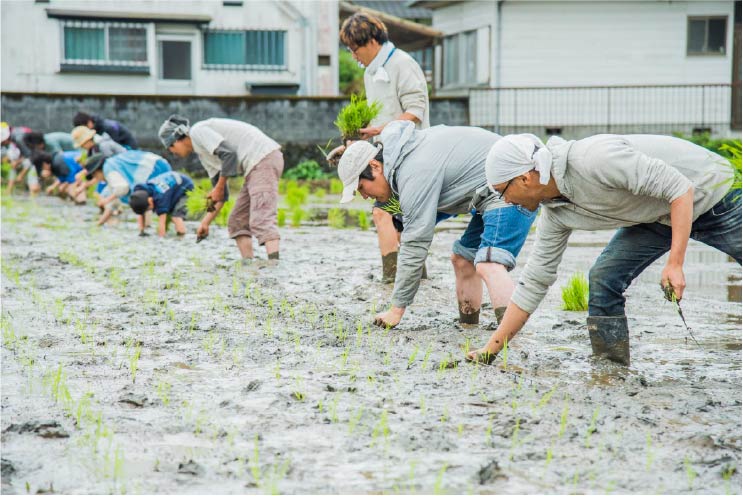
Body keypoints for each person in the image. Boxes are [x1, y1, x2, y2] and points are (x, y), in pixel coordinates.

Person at [468, 133, 741, 366]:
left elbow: (680, 189)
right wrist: (490, 350)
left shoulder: (594, 160)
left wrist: (675, 263)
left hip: (715, 193)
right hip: (657, 215)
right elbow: (535, 280)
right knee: (604, 278)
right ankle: (611, 370)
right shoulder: (555, 213)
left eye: (502, 191)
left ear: (525, 178)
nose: (505, 201)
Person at [337, 120, 537, 328]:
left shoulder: (414, 170)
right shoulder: (404, 159)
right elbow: (416, 217)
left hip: (516, 185)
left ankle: (510, 338)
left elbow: (415, 241)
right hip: (487, 194)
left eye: (361, 187)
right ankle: (469, 328)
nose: (364, 196)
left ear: (375, 166)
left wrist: (396, 310)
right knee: (463, 259)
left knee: (490, 263)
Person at [338, 12, 430, 283]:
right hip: (386, 155)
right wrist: (357, 139)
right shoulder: (372, 71)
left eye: (354, 48)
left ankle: (391, 280)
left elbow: (416, 111)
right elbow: (378, 116)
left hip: (410, 153)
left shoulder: (402, 64)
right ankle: (416, 278)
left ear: (372, 41)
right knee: (402, 223)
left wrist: (380, 129)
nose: (353, 55)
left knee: (384, 212)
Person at [158, 115, 283, 261]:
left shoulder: (198, 131)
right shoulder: (204, 155)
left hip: (263, 158)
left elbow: (229, 154)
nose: (172, 152)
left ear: (177, 139)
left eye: (171, 147)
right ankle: (248, 265)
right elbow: (221, 195)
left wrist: (219, 187)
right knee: (237, 221)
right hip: (254, 166)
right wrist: (205, 223)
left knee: (262, 218)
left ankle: (274, 265)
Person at [84, 150, 172, 225]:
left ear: (97, 172)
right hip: (159, 164)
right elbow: (113, 204)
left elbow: (122, 188)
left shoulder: (108, 168)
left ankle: (155, 230)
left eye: (95, 176)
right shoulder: (114, 164)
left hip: (155, 169)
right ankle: (147, 228)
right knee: (148, 203)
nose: (97, 179)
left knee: (162, 206)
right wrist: (100, 223)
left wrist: (106, 200)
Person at [130, 171, 194, 237]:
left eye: (148, 209)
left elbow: (162, 221)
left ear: (150, 201)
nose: (149, 210)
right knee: (167, 211)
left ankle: (181, 236)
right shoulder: (140, 193)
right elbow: (141, 212)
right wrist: (142, 232)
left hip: (186, 187)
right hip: (172, 184)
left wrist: (161, 239)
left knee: (176, 217)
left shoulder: (160, 197)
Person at [2, 122, 40, 194]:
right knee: (14, 166)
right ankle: (8, 191)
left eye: (2, 143)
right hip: (31, 155)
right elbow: (24, 153)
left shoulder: (18, 138)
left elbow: (30, 157)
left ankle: (33, 193)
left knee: (31, 168)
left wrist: (21, 175)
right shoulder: (14, 137)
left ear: (6, 139)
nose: (3, 145)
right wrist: (17, 162)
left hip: (37, 157)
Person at [73, 112, 138, 149]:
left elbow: (114, 146)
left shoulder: (107, 127)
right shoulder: (96, 128)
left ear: (89, 122)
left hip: (128, 147)